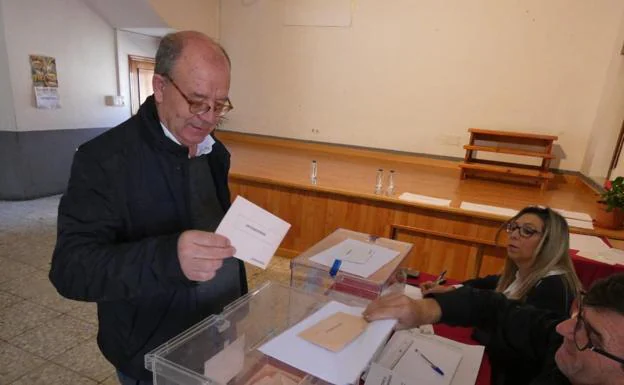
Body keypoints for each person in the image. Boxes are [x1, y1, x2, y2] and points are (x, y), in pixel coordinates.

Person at [49, 31, 247, 385]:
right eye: (197, 101)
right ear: (159, 87)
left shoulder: (214, 151)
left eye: (220, 105)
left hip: (220, 333)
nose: (208, 118)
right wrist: (168, 258)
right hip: (153, 353)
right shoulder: (103, 160)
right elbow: (70, 270)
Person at [364, 273, 624, 385]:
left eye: (590, 335)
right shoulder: (563, 341)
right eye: (578, 317)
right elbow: (496, 310)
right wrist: (424, 311)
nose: (563, 329)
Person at [423, 206, 582, 316]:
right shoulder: (527, 272)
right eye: (513, 227)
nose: (513, 235)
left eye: (527, 231)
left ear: (550, 242)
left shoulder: (553, 289)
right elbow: (489, 283)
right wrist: (452, 289)